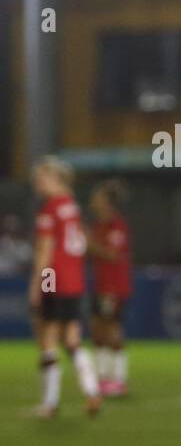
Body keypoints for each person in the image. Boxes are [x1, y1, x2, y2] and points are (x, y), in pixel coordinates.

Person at [27, 157, 101, 419]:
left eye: (41, 178)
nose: (37, 183)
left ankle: (49, 404)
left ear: (55, 179)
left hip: (54, 279)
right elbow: (82, 243)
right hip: (75, 280)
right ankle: (91, 391)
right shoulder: (72, 207)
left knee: (47, 340)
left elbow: (45, 251)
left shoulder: (49, 210)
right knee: (71, 339)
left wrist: (39, 285)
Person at [87, 180, 132, 397]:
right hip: (101, 284)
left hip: (114, 286)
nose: (93, 200)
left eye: (98, 196)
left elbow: (112, 254)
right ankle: (103, 376)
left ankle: (119, 379)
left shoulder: (116, 225)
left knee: (112, 328)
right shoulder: (99, 225)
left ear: (107, 202)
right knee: (97, 328)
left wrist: (89, 242)